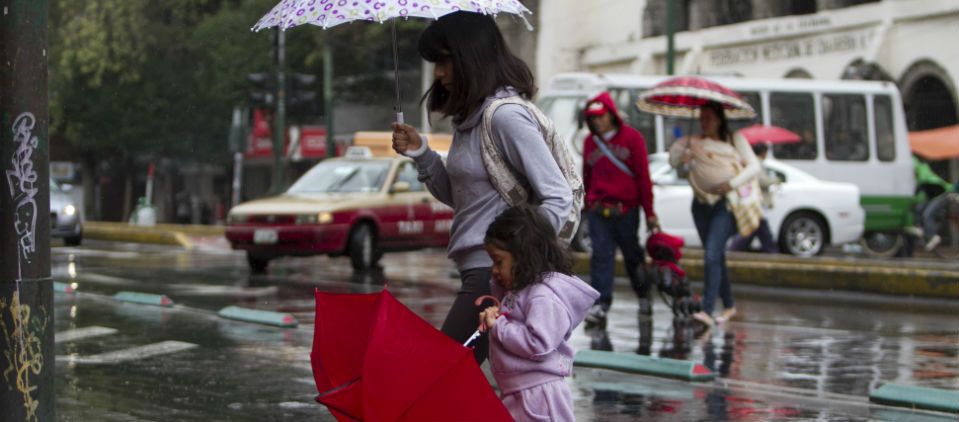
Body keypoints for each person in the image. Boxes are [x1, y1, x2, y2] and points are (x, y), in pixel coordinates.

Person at [391, 12, 574, 363]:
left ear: (471, 57)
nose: (439, 73)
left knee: (443, 371)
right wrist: (421, 153)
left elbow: (558, 195)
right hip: (478, 269)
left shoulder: (505, 116)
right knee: (462, 376)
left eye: (445, 61)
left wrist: (517, 259)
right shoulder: (469, 119)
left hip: (492, 273)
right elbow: (463, 199)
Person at [478, 206, 599, 422]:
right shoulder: (519, 290)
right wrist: (496, 315)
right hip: (518, 390)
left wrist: (499, 326)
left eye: (498, 261)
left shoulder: (542, 296)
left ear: (523, 256)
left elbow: (537, 343)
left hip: (539, 395)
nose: (494, 270)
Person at [668, 100, 760, 327]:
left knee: (712, 254)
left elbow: (754, 166)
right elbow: (680, 168)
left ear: (719, 119)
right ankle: (728, 305)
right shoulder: (693, 143)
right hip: (700, 205)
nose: (704, 123)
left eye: (708, 118)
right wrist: (685, 161)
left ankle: (707, 310)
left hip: (724, 206)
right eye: (701, 119)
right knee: (715, 256)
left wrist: (732, 184)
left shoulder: (734, 139)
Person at [580, 92, 659, 325]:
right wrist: (586, 203)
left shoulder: (632, 138)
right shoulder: (589, 142)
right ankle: (601, 304)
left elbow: (643, 178)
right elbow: (587, 175)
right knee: (600, 257)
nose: (597, 121)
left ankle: (643, 295)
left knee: (632, 255)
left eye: (600, 116)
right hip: (598, 210)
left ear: (611, 115)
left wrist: (650, 212)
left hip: (626, 210)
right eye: (592, 118)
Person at [729, 143, 780, 253]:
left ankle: (736, 249)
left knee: (753, 227)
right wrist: (775, 180)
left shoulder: (750, 163)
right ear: (763, 152)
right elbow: (762, 181)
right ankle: (771, 251)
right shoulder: (756, 164)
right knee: (759, 226)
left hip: (753, 201)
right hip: (756, 201)